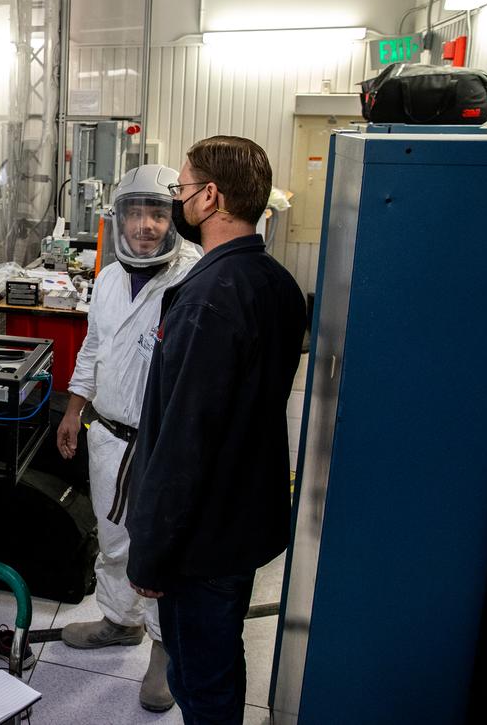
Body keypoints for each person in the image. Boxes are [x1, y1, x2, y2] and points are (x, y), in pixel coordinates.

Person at [125, 136, 306, 725]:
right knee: (220, 659)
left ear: (210, 196)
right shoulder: (276, 283)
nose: (176, 202)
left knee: (198, 678)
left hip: (202, 537)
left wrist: (150, 556)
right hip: (244, 516)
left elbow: (183, 445)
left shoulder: (209, 298)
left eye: (180, 190)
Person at [55, 164, 200, 713]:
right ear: (117, 219)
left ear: (174, 217)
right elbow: (93, 348)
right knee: (113, 537)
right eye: (135, 213)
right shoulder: (112, 276)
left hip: (162, 444)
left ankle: (162, 653)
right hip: (109, 436)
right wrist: (74, 409)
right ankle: (119, 622)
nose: (145, 226)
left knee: (161, 551)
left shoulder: (193, 276)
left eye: (158, 213)